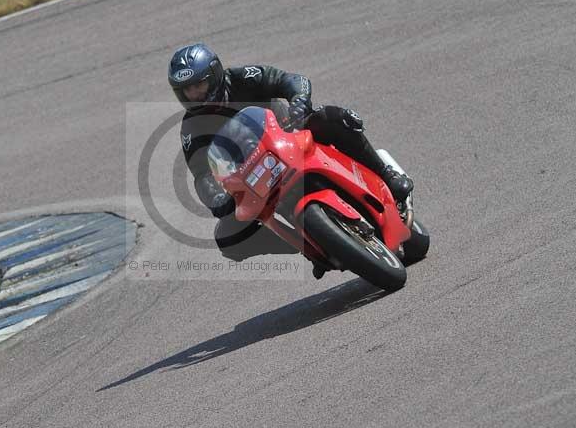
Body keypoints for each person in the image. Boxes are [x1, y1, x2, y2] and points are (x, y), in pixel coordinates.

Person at [168, 42, 413, 269]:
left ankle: (386, 174)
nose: (195, 94)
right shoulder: (192, 127)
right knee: (227, 237)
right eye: (187, 90)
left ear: (215, 74)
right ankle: (303, 245)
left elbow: (290, 80)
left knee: (337, 118)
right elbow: (201, 174)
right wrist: (216, 199)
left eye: (198, 85)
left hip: (289, 135)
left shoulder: (244, 77)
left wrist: (299, 100)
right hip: (253, 176)